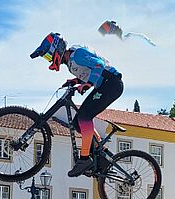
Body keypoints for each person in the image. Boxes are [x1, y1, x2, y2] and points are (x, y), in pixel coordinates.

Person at [30, 33, 123, 177]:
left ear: (56, 49)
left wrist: (88, 84)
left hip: (112, 84)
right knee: (77, 123)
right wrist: (75, 81)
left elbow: (99, 65)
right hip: (104, 86)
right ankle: (101, 152)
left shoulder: (77, 54)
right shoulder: (70, 64)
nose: (50, 60)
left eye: (49, 56)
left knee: (85, 117)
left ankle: (84, 159)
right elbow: (88, 72)